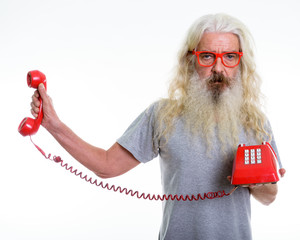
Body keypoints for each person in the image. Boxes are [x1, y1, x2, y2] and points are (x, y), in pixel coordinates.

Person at [30, 13, 283, 240]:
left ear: (240, 62)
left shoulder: (256, 122)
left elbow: (270, 197)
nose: (218, 68)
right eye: (207, 56)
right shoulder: (163, 115)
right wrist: (54, 125)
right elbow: (107, 166)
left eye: (229, 57)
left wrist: (258, 183)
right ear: (190, 60)